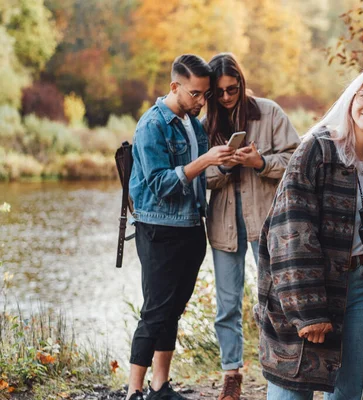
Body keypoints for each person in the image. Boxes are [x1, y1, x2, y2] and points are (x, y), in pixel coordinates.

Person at [254, 65, 363, 399]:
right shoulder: (317, 149)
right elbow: (290, 230)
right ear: (351, 98)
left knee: (348, 390)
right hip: (307, 289)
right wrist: (309, 310)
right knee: (292, 387)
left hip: (361, 286)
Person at [126, 54, 235, 400]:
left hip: (191, 226)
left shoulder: (192, 122)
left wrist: (224, 163)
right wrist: (203, 160)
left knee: (173, 309)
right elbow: (160, 184)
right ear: (174, 86)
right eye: (195, 94)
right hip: (158, 229)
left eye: (206, 95)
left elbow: (197, 179)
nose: (202, 102)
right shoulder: (152, 125)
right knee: (155, 310)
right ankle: (134, 391)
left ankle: (160, 386)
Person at [203, 53, 300, 400]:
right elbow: (201, 179)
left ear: (242, 83)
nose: (227, 97)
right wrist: (224, 167)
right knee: (227, 304)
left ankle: (282, 366)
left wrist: (261, 162)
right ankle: (232, 373)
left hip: (268, 223)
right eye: (219, 92)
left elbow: (296, 160)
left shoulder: (270, 112)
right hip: (225, 226)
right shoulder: (206, 123)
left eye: (232, 89)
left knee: (276, 301)